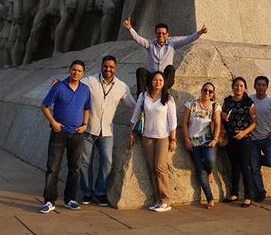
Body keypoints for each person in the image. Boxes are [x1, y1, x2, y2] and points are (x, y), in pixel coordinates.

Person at [79, 55, 136, 206]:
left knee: (107, 162)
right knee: (85, 162)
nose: (108, 69)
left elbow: (132, 104)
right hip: (88, 129)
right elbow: (75, 84)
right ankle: (87, 192)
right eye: (105, 66)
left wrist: (149, 105)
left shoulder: (122, 86)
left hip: (107, 132)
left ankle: (100, 192)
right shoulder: (90, 81)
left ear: (115, 68)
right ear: (101, 66)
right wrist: (61, 84)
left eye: (111, 67)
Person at [39, 60, 91, 213]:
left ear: (83, 73)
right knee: (52, 167)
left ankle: (70, 199)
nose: (76, 73)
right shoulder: (59, 87)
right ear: (69, 71)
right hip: (59, 133)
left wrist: (85, 125)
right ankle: (49, 201)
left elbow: (87, 108)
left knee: (74, 168)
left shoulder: (85, 89)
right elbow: (44, 106)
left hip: (77, 134)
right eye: (74, 70)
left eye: (79, 71)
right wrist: (53, 122)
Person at [128, 71, 177, 212]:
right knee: (151, 168)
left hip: (163, 137)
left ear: (164, 83)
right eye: (155, 80)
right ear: (151, 81)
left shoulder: (168, 98)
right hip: (147, 136)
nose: (158, 82)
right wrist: (130, 134)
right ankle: (158, 199)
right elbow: (135, 115)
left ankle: (165, 199)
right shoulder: (144, 96)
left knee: (160, 167)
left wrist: (173, 139)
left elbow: (173, 122)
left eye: (160, 80)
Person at [123, 18, 208, 95]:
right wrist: (130, 28)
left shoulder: (172, 45)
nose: (161, 35)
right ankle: (141, 98)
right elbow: (137, 38)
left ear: (167, 35)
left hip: (165, 80)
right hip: (152, 78)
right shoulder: (149, 45)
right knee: (141, 71)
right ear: (155, 34)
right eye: (159, 33)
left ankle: (162, 91)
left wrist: (199, 33)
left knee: (170, 68)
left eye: (163, 33)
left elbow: (187, 40)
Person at [181, 82, 222, 209]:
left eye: (210, 91)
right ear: (201, 90)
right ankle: (210, 198)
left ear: (213, 94)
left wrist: (215, 139)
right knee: (200, 170)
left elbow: (218, 124)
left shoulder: (215, 106)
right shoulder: (191, 104)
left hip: (208, 141)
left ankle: (210, 172)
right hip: (194, 142)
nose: (207, 93)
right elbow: (184, 123)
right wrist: (187, 139)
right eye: (205, 90)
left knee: (210, 160)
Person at [221, 76, 257, 207]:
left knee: (244, 166)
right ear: (232, 87)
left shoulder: (249, 102)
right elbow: (222, 116)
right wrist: (223, 116)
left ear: (245, 88)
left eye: (241, 86)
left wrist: (243, 133)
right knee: (234, 165)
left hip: (244, 138)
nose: (238, 88)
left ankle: (248, 195)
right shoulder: (227, 101)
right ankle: (234, 193)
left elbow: (254, 123)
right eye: (236, 85)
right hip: (231, 137)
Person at [248, 75, 271, 203]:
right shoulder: (249, 99)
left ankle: (256, 160)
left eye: (263, 85)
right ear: (254, 86)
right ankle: (261, 191)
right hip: (253, 140)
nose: (260, 87)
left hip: (267, 138)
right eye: (258, 84)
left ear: (267, 87)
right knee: (255, 169)